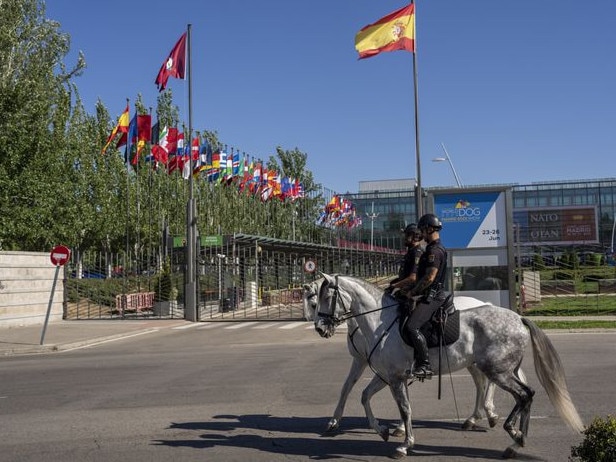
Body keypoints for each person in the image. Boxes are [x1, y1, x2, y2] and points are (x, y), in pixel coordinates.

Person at [402, 213, 448, 379]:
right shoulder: (432, 249)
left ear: (429, 229)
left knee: (412, 326)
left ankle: (425, 365)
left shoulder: (434, 251)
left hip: (434, 297)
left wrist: (412, 292)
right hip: (430, 295)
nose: (420, 234)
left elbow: (429, 277)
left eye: (422, 230)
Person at [387, 224, 424, 294]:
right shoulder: (411, 252)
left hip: (411, 293)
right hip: (405, 289)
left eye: (407, 235)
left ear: (414, 237)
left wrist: (394, 286)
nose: (405, 238)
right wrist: (394, 283)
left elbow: (413, 278)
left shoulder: (417, 253)